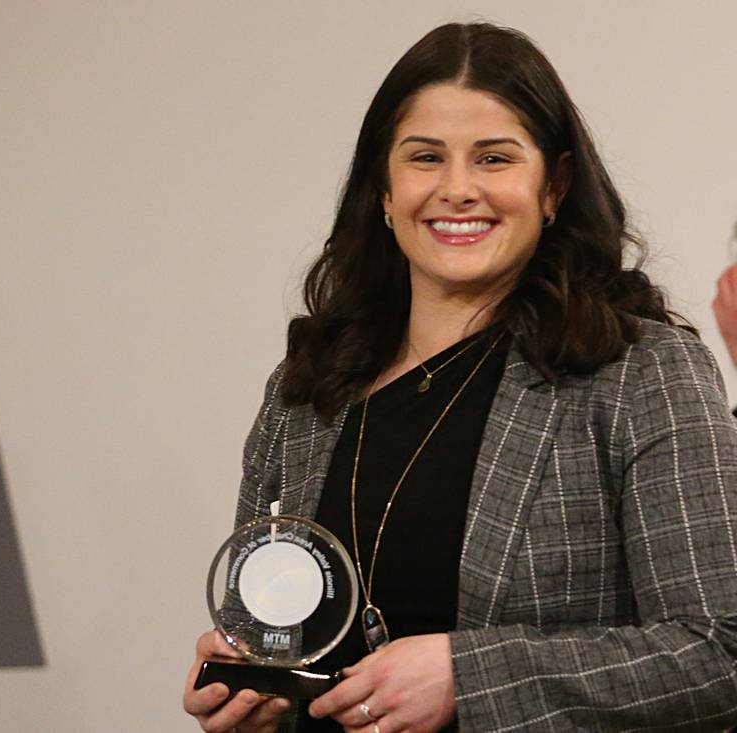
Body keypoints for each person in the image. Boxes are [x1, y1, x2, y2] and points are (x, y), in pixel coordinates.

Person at [184, 21, 737, 732]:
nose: (457, 189)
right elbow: (276, 635)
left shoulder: (640, 373)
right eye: (425, 157)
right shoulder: (305, 389)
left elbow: (718, 650)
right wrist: (253, 691)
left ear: (554, 186)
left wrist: (468, 678)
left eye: (494, 159)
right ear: (384, 190)